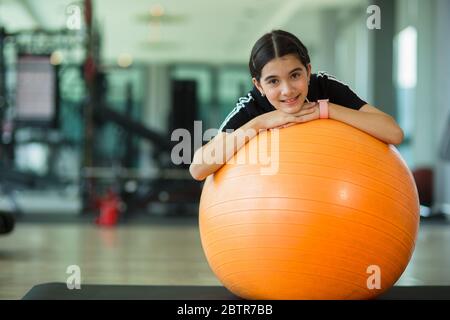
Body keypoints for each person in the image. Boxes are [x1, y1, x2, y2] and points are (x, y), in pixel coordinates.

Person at [189, 30, 404, 181]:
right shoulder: (251, 106)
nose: (287, 90)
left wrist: (325, 110)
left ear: (308, 71)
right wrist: (259, 123)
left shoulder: (324, 87)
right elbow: (198, 168)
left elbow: (393, 133)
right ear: (258, 85)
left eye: (295, 75)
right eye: (273, 81)